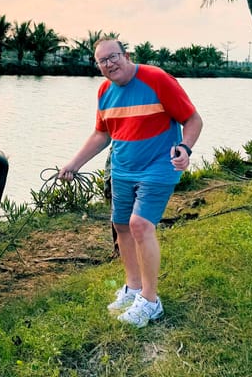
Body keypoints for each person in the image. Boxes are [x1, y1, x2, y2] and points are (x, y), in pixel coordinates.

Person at [59, 39, 202, 328]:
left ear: (126, 55)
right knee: (122, 226)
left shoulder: (156, 78)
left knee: (140, 225)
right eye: (102, 61)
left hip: (159, 166)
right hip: (122, 168)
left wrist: (185, 149)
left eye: (113, 57)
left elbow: (193, 120)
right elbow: (101, 134)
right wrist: (74, 164)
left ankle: (150, 302)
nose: (109, 64)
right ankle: (133, 288)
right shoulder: (104, 91)